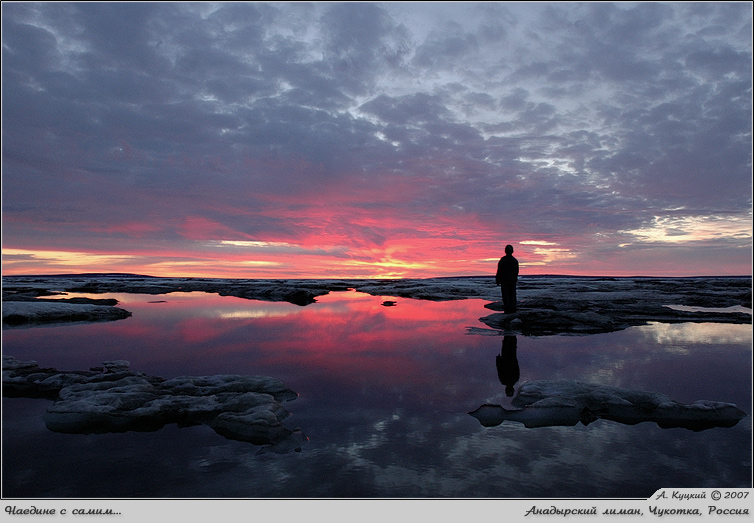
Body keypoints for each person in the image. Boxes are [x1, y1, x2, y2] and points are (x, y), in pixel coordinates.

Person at [495, 244, 519, 313]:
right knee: (512, 295)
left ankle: (508, 309)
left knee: (506, 295)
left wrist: (498, 280)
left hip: (506, 281)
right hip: (510, 281)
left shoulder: (503, 260)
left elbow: (499, 271)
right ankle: (512, 308)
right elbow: (516, 272)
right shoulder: (514, 260)